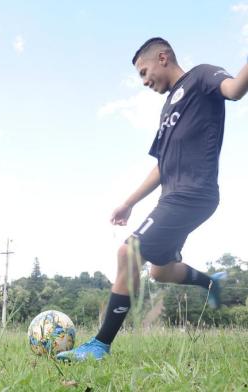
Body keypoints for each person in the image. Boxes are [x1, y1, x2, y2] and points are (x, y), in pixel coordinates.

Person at [57, 37, 248, 362]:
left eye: (144, 72)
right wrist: (129, 201)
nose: (144, 81)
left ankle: (100, 345)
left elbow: (234, 90)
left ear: (163, 57)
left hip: (194, 193)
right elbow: (161, 165)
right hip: (172, 198)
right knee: (160, 271)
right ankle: (210, 283)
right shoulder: (167, 108)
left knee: (128, 253)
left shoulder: (202, 76)